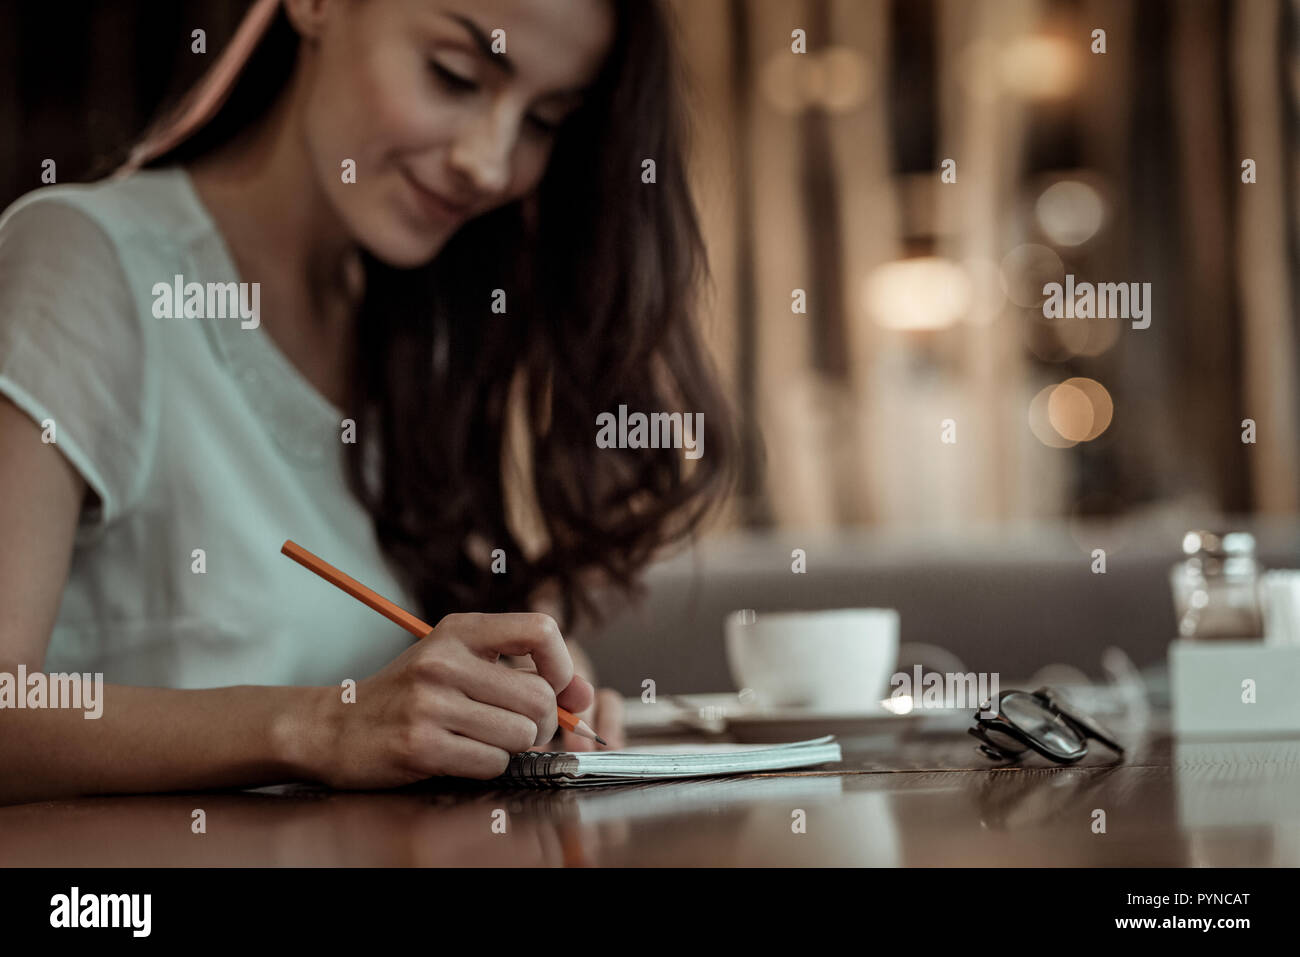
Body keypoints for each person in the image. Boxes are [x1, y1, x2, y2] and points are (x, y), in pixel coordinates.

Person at [0, 0, 733, 803]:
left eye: (544, 122)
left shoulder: (426, 332)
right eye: (454, 75)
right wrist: (324, 725)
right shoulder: (84, 261)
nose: (488, 164)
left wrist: (498, 703)